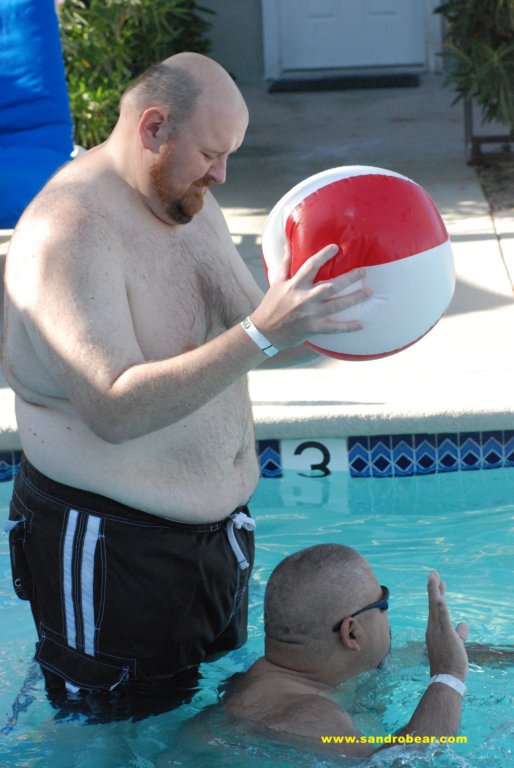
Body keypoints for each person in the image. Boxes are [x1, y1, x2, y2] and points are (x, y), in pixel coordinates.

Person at [2, 52, 370, 717]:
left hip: (216, 540)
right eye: (210, 153)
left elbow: (258, 328)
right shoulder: (70, 232)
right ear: (153, 128)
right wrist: (262, 333)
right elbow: (114, 408)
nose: (221, 174)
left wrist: (353, 312)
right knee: (109, 736)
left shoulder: (189, 204)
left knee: (205, 721)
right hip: (113, 547)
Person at [223, 544, 469, 758]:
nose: (387, 613)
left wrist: (457, 653)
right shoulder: (308, 715)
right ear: (351, 632)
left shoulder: (275, 678)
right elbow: (399, 763)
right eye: (383, 603)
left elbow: (406, 657)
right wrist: (449, 676)